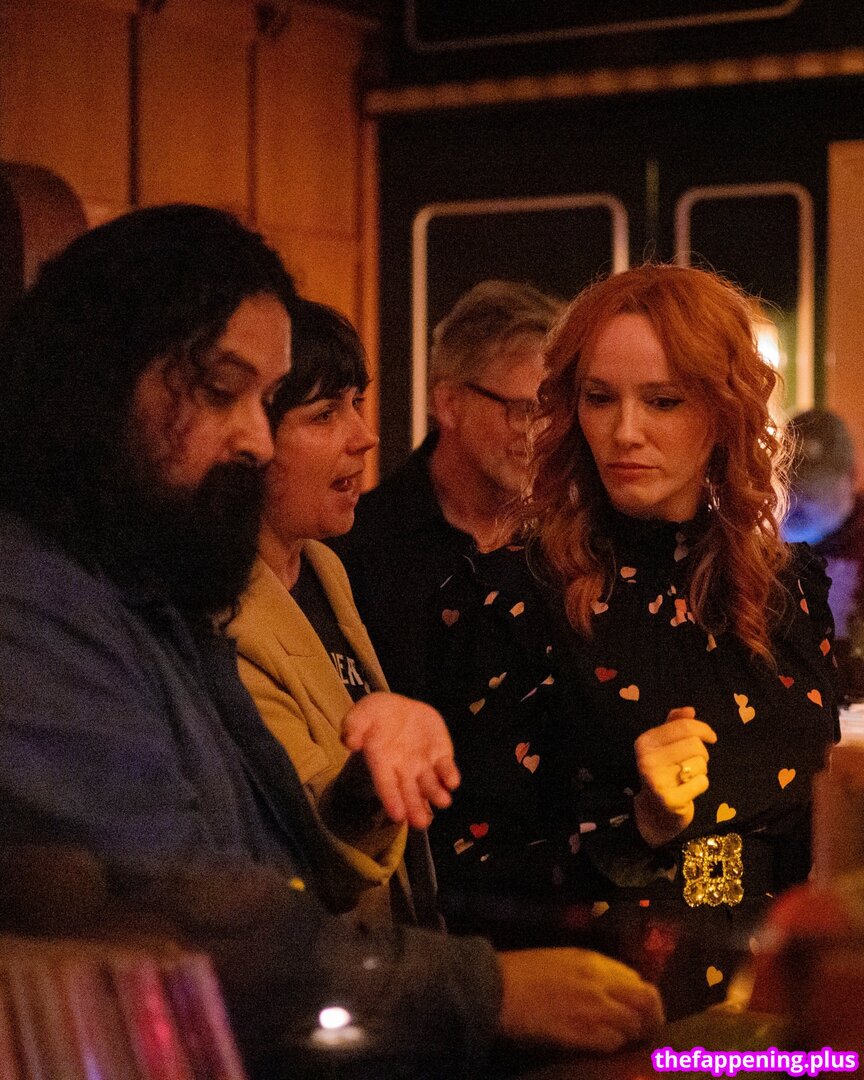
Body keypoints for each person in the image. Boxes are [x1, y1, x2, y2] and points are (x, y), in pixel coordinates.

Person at [0, 205, 663, 1078]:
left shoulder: (149, 585)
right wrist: (488, 990)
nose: (255, 438)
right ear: (100, 381)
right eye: (223, 391)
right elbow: (190, 924)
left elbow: (283, 859)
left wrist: (370, 781)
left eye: (267, 400)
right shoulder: (34, 603)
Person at [430, 264, 839, 1019]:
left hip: (783, 1002)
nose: (624, 432)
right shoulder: (513, 594)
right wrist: (637, 825)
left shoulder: (785, 585)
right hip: (611, 1011)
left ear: (722, 411)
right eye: (599, 398)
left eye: (662, 401)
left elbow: (818, 825)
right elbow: (464, 872)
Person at [230, 299, 452, 927]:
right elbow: (311, 839)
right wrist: (371, 775)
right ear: (248, 436)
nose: (364, 435)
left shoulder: (323, 565)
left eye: (357, 403)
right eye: (325, 414)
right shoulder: (224, 614)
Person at [333, 279, 562, 703]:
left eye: (554, 410)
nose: (540, 433)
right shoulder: (355, 548)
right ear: (449, 403)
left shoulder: (573, 543)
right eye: (524, 409)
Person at [783, 407, 864, 701]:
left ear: (852, 478)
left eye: (814, 489)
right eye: (789, 484)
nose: (796, 500)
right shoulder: (756, 544)